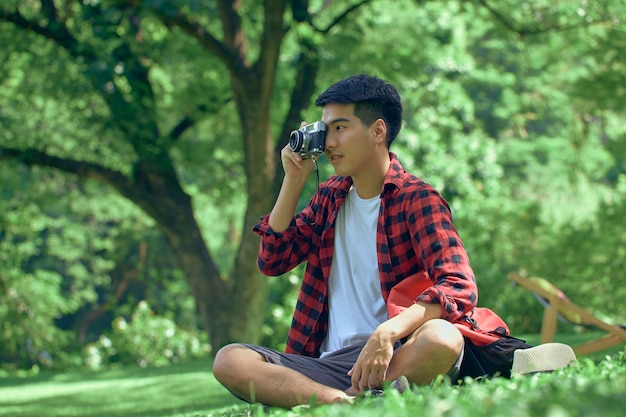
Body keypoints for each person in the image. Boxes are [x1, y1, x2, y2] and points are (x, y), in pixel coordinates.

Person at [212, 74, 497, 408]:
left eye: (340, 128)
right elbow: (272, 260)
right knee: (229, 360)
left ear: (378, 131)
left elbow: (459, 285)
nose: (329, 142)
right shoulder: (329, 199)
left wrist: (387, 332)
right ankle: (345, 404)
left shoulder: (416, 199)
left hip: (396, 352)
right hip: (328, 362)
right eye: (325, 129)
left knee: (443, 338)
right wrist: (293, 180)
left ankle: (353, 401)